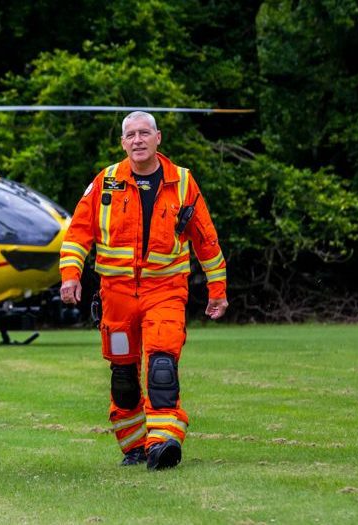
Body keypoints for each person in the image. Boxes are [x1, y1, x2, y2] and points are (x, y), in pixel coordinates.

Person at [59, 111, 228, 470]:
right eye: (130, 134)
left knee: (162, 365)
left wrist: (218, 289)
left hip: (165, 290)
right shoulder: (105, 181)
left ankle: (163, 441)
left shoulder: (182, 182)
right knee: (123, 376)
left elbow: (206, 239)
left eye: (144, 133)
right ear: (123, 142)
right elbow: (77, 234)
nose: (137, 140)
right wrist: (70, 274)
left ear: (158, 138)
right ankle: (133, 446)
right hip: (116, 296)